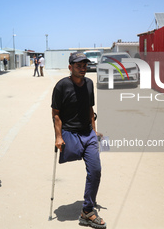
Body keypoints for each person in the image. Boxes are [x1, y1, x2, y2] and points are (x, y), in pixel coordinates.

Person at [51, 52, 106, 228]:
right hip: (70, 133)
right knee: (69, 156)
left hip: (88, 133)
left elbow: (90, 108)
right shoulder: (61, 86)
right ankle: (88, 206)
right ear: (70, 67)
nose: (83, 69)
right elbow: (56, 114)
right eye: (78, 66)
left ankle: (87, 211)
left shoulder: (89, 83)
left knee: (95, 170)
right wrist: (58, 137)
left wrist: (95, 131)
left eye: (85, 65)